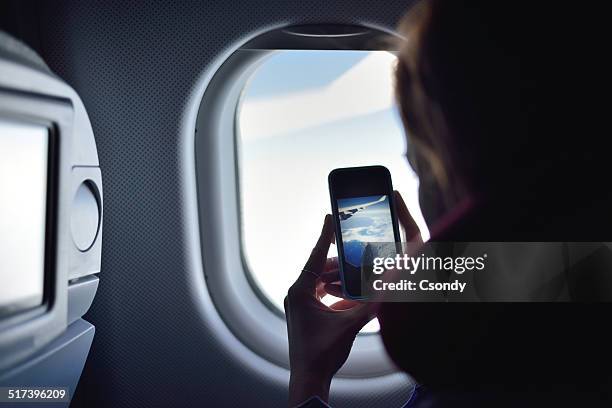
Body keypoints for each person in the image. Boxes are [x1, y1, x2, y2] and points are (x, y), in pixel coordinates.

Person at [285, 1, 611, 407]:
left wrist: (310, 374)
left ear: (460, 180)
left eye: (422, 169)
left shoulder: (472, 365)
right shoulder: (584, 291)